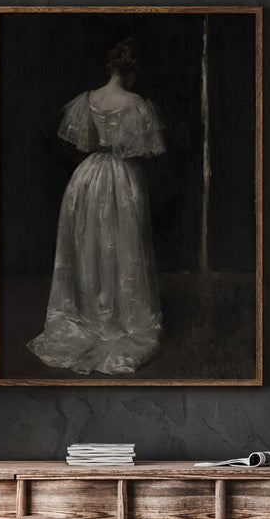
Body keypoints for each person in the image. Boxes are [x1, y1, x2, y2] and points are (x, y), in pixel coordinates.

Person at [27, 37, 166, 375]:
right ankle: (116, 314)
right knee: (119, 245)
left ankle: (93, 311)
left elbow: (87, 142)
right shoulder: (136, 103)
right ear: (131, 71)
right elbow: (142, 149)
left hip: (87, 178)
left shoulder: (89, 99)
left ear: (110, 67)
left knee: (91, 245)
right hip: (120, 178)